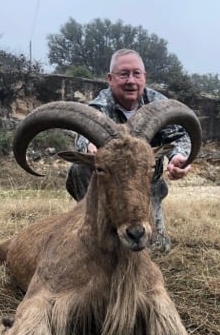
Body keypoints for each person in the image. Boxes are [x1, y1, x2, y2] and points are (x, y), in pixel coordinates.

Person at [65, 48, 192, 251]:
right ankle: (94, 224)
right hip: (110, 185)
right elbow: (83, 135)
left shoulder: (160, 105)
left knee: (156, 248)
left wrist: (179, 156)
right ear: (110, 78)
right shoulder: (100, 107)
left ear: (144, 77)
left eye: (136, 74)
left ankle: (143, 218)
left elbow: (179, 135)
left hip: (147, 184)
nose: (131, 81)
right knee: (80, 169)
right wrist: (88, 145)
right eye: (123, 74)